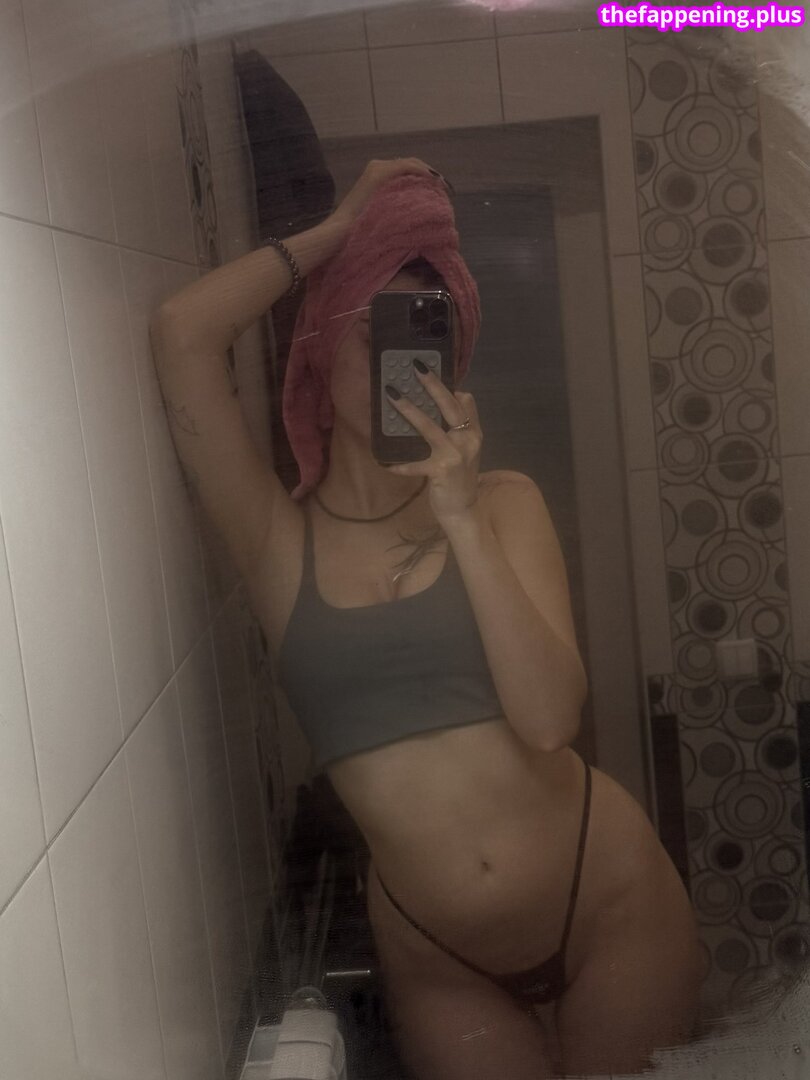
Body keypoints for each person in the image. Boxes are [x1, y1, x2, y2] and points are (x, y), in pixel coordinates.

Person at [150, 158, 703, 1080]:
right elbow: (181, 335)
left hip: (608, 901)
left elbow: (549, 720)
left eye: (419, 337)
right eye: (370, 330)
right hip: (442, 965)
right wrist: (338, 233)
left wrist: (459, 518)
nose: (394, 364)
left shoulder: (504, 503)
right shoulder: (277, 544)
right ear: (320, 345)